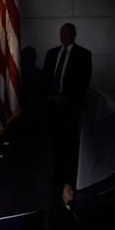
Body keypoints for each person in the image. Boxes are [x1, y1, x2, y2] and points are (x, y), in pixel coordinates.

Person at [43, 23, 91, 185]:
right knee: (55, 141)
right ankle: (58, 173)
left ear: (74, 34)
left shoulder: (83, 55)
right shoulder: (52, 53)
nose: (63, 36)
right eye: (61, 33)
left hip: (70, 106)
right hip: (52, 105)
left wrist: (68, 98)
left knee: (68, 142)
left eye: (67, 33)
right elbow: (46, 79)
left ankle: (68, 176)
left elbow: (84, 82)